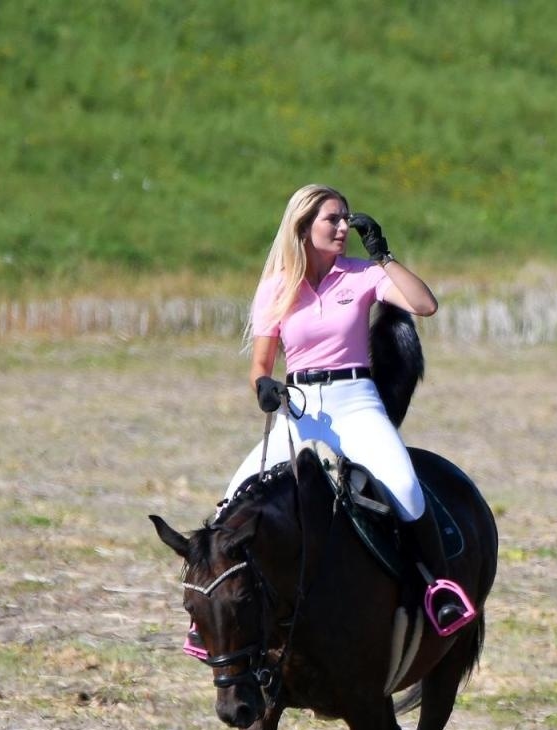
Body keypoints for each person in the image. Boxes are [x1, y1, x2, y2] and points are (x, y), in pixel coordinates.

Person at [188, 183, 473, 657]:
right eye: (333, 219)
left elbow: (425, 305)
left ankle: (437, 592)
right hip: (299, 407)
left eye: (347, 219)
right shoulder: (276, 287)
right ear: (303, 227)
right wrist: (264, 387)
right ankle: (206, 617)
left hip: (356, 401)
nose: (344, 227)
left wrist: (383, 256)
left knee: (405, 488)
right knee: (227, 510)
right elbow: (260, 365)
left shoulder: (362, 275)